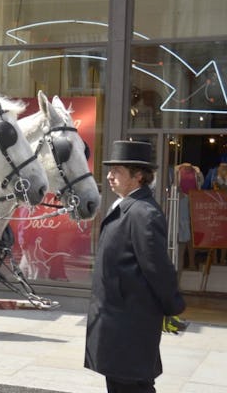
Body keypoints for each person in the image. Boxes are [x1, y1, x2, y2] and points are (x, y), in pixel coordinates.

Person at [86, 140, 186, 393]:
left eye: (117, 171)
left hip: (128, 324)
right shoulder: (127, 206)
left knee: (131, 386)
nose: (109, 176)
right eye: (110, 170)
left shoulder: (143, 213)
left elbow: (157, 268)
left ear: (138, 175)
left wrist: (173, 306)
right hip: (117, 322)